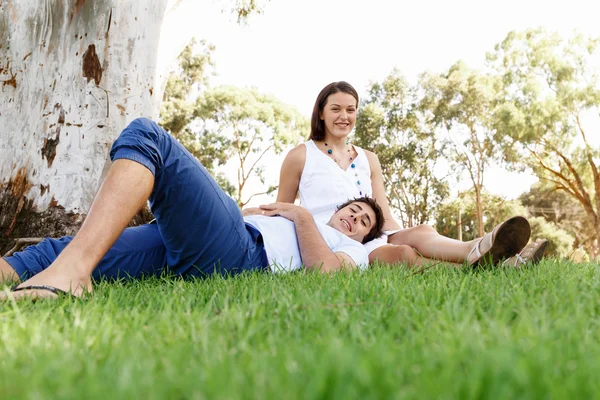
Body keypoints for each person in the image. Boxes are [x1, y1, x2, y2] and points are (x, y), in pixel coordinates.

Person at [0, 118, 386, 299]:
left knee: (148, 135)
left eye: (363, 221)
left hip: (240, 253)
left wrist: (298, 214)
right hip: (193, 244)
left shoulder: (352, 249)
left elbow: (327, 274)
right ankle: (44, 269)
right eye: (354, 209)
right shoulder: (313, 220)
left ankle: (71, 276)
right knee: (58, 250)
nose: (355, 218)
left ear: (364, 234)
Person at [276, 81, 547, 268]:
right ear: (321, 113)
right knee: (404, 254)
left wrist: (406, 233)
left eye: (351, 109)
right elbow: (282, 210)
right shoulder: (301, 155)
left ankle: (481, 247)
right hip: (332, 240)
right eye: (335, 109)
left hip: (370, 231)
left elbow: (382, 211)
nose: (344, 116)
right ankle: (495, 262)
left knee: (422, 232)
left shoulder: (368, 158)